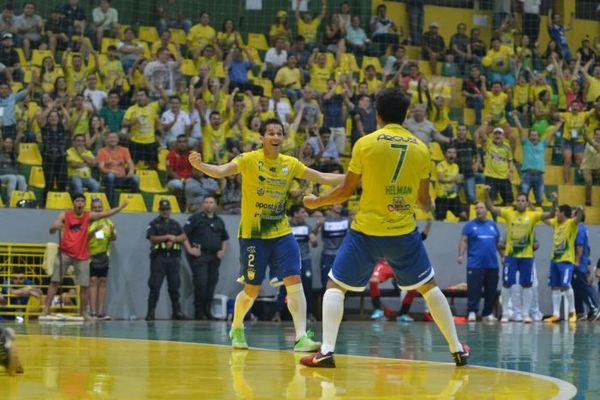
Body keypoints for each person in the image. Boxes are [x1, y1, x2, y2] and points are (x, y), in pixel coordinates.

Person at [299, 88, 469, 368]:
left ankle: (326, 351)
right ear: (404, 115)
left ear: (377, 114)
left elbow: (345, 191)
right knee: (429, 287)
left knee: (336, 286)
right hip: (402, 231)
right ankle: (456, 349)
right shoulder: (421, 148)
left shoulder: (365, 144)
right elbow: (425, 202)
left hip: (366, 231)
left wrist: (318, 202)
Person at [188, 118, 344, 351]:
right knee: (252, 289)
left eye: (279, 133)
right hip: (254, 235)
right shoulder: (249, 159)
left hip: (281, 232)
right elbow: (221, 171)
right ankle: (237, 327)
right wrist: (200, 166)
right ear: (261, 138)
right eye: (270, 133)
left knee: (294, 280)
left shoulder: (289, 163)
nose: (275, 137)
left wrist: (354, 178)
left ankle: (301, 337)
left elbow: (322, 177)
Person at [43, 193, 127, 319]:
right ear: (73, 203)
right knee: (55, 282)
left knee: (84, 285)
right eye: (77, 201)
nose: (80, 203)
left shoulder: (88, 216)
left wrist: (119, 208)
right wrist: (55, 227)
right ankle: (46, 309)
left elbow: (105, 214)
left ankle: (83, 312)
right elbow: (52, 230)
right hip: (64, 253)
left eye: (82, 201)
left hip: (81, 256)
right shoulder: (65, 215)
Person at [484, 188, 557, 322]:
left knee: (527, 285)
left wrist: (554, 202)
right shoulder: (509, 213)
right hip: (511, 256)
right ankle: (505, 314)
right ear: (515, 202)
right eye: (518, 201)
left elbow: (552, 214)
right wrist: (487, 194)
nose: (520, 203)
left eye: (523, 201)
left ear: (528, 203)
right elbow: (490, 208)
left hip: (527, 257)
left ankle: (525, 314)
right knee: (507, 284)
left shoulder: (533, 215)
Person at [370, 217, 432, 322]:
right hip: (386, 263)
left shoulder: (410, 232)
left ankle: (403, 314)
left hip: (401, 264)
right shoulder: (388, 226)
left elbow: (423, 236)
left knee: (413, 288)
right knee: (373, 281)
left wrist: (429, 223)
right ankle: (377, 310)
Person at [183, 194, 229, 320]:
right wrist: (190, 249)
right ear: (203, 204)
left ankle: (207, 311)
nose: (209, 204)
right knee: (201, 284)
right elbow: (184, 236)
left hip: (214, 257)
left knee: (211, 284)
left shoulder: (219, 221)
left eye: (211, 202)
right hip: (200, 257)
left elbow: (225, 239)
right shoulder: (195, 219)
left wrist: (222, 251)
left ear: (215, 205)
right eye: (206, 202)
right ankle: (199, 312)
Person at [273, 205, 318, 323]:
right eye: (302, 212)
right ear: (295, 214)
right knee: (284, 287)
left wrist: (314, 240)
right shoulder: (286, 227)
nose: (305, 214)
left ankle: (309, 314)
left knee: (307, 287)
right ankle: (277, 313)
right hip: (289, 261)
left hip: (305, 260)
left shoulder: (307, 227)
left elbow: (314, 244)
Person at [457, 202, 500, 322]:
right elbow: (464, 240)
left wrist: (502, 256)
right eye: (476, 208)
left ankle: (487, 313)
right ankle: (472, 311)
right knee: (474, 289)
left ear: (487, 210)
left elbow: (497, 243)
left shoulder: (493, 225)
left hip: (492, 265)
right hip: (475, 265)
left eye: (481, 208)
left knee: (491, 290)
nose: (478, 210)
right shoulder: (469, 226)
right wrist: (460, 255)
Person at [145, 199, 187, 321]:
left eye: (167, 209)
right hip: (159, 258)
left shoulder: (175, 224)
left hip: (173, 258)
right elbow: (152, 237)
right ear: (159, 210)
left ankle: (176, 312)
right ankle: (150, 313)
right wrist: (167, 237)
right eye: (163, 209)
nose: (165, 212)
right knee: (155, 286)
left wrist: (174, 239)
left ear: (170, 210)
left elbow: (183, 236)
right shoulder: (154, 223)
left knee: (174, 287)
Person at [543, 204, 584, 322]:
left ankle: (572, 312)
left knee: (565, 285)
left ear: (563, 213)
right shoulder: (556, 222)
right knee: (554, 287)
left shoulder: (571, 224)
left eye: (558, 212)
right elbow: (544, 219)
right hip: (554, 260)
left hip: (566, 261)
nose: (556, 214)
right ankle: (555, 315)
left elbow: (578, 219)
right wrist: (553, 204)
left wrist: (580, 210)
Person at [87, 197, 116, 320]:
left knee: (102, 282)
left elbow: (113, 238)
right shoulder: (88, 222)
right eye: (95, 208)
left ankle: (100, 311)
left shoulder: (108, 222)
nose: (98, 210)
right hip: (90, 256)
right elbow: (84, 238)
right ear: (91, 209)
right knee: (93, 281)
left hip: (104, 256)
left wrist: (113, 233)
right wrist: (94, 232)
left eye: (99, 208)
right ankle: (92, 311)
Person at [97, 132, 140, 207]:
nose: (113, 139)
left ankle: (133, 203)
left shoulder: (124, 150)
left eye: (114, 137)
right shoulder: (102, 151)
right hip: (108, 179)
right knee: (111, 176)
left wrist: (131, 171)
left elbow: (130, 163)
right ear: (106, 140)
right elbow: (101, 168)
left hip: (122, 178)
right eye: (110, 138)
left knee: (136, 178)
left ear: (118, 140)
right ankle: (111, 205)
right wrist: (112, 172)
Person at [572, 208, 600, 321]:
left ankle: (594, 309)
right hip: (577, 263)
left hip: (578, 264)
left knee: (583, 287)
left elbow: (580, 246)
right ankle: (580, 312)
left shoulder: (580, 228)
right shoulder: (578, 228)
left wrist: (577, 261)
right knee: (576, 287)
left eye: (572, 214)